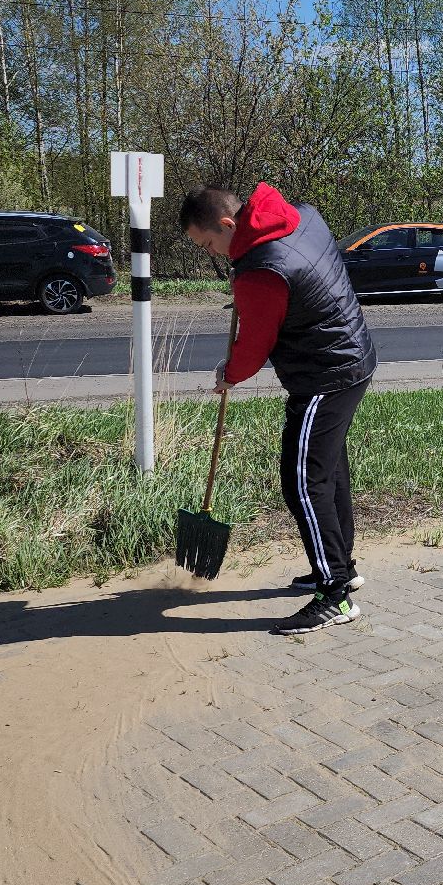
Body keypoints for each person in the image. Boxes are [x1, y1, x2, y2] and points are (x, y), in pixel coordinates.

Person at [179, 182, 377, 635]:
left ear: (229, 224)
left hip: (323, 376)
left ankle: (335, 595)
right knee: (327, 471)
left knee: (303, 481)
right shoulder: (302, 214)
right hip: (353, 358)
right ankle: (340, 565)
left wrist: (229, 373)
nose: (212, 253)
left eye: (210, 244)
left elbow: (254, 346)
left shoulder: (261, 270)